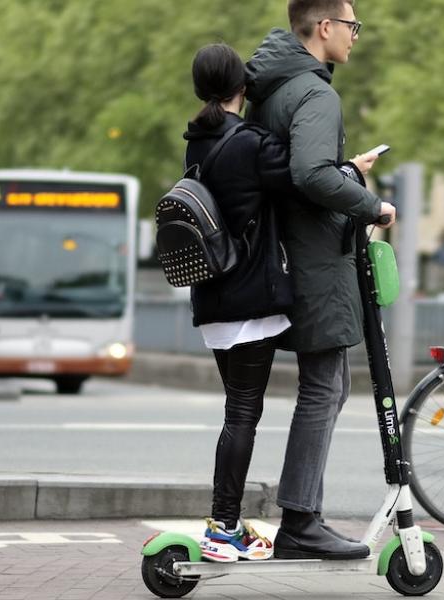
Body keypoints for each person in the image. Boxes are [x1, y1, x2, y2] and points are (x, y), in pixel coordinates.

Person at [244, 0, 396, 560]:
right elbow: (309, 173)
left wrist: (348, 171)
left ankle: (303, 516)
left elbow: (294, 171)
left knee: (331, 386)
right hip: (314, 260)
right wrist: (372, 203)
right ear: (325, 26)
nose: (356, 37)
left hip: (289, 252)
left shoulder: (273, 88)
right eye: (352, 26)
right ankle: (301, 522)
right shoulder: (314, 92)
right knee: (324, 387)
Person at [183, 43, 296, 563]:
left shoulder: (197, 143)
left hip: (213, 297)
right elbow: (302, 184)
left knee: (238, 412)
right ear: (242, 89)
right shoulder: (251, 142)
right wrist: (353, 172)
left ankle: (224, 521)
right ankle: (222, 525)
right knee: (242, 415)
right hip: (251, 301)